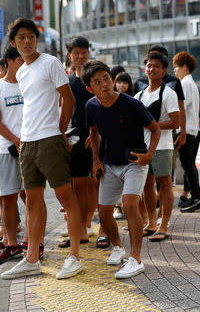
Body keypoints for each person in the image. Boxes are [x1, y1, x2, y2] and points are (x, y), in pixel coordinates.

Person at [1, 18, 83, 280]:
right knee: (32, 201)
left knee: (66, 199)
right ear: (14, 43)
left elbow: (68, 98)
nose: (27, 41)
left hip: (49, 139)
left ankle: (74, 257)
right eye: (21, 38)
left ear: (37, 39)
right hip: (27, 142)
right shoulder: (22, 71)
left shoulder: (50, 62)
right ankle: (32, 258)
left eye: (31, 36)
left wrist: (60, 130)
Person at [83, 60, 160, 278]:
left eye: (106, 78)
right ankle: (118, 247)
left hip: (135, 162)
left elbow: (154, 130)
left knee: (129, 204)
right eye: (98, 82)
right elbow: (93, 131)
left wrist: (150, 155)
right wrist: (96, 160)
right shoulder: (91, 106)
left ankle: (136, 259)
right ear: (91, 88)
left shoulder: (131, 104)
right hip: (109, 163)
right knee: (105, 213)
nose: (104, 84)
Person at [0, 45, 26, 264]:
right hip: (6, 151)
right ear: (9, 61)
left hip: (31, 150)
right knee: (7, 200)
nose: (25, 64)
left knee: (32, 198)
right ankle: (12, 244)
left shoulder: (30, 85)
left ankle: (31, 241)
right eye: (21, 59)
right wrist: (15, 140)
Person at [57, 36, 98, 249]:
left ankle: (84, 226)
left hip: (93, 138)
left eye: (84, 52)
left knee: (89, 185)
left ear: (88, 53)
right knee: (76, 185)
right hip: (73, 139)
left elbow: (105, 106)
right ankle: (80, 227)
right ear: (69, 55)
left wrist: (97, 134)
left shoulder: (95, 78)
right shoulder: (66, 81)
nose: (80, 56)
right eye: (76, 53)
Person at [134, 52, 179, 241]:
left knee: (165, 184)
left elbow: (175, 122)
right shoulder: (139, 95)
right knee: (146, 185)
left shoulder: (169, 93)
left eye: (156, 66)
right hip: (143, 146)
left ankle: (164, 225)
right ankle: (151, 223)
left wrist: (153, 126)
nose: (152, 69)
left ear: (164, 71)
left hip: (163, 145)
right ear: (145, 69)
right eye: (149, 66)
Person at [172, 52, 200, 212]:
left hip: (186, 130)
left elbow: (181, 108)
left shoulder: (185, 84)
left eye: (176, 67)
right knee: (189, 165)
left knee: (187, 165)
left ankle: (196, 196)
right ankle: (192, 196)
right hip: (194, 130)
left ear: (184, 67)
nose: (175, 71)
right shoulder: (192, 83)